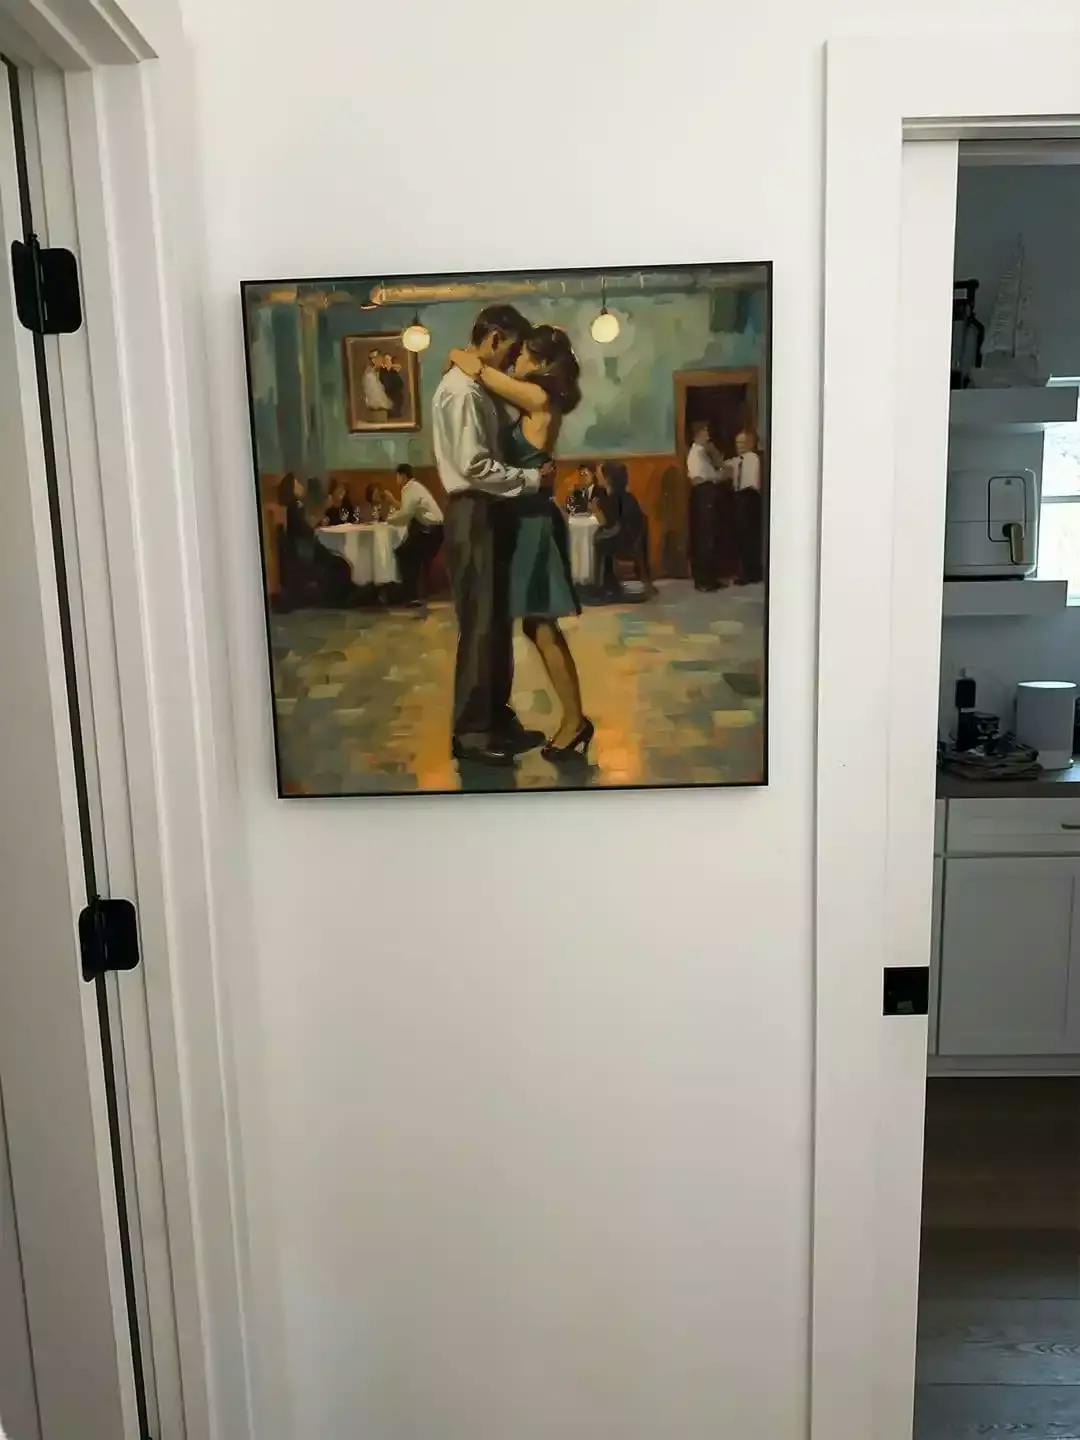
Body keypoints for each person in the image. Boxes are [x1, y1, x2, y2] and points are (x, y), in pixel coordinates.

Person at [450, 324, 592, 761]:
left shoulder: (538, 397)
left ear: (542, 363)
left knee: (541, 624)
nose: (516, 362)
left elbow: (480, 371)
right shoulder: (536, 398)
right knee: (536, 624)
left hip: (533, 522)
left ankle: (575, 721)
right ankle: (574, 719)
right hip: (525, 519)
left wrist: (459, 356)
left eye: (524, 355)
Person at [432, 304, 555, 767]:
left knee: (496, 624)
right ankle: (471, 732)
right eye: (512, 349)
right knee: (481, 625)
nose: (513, 359)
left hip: (487, 511)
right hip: (473, 510)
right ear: (495, 338)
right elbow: (474, 467)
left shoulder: (475, 385)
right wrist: (532, 481)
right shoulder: (462, 391)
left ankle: (496, 720)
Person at [275, 472, 357, 610]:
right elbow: (305, 529)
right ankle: (341, 598)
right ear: (291, 489)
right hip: (303, 551)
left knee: (339, 562)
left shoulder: (297, 506)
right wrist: (324, 509)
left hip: (305, 547)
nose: (301, 486)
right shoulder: (293, 507)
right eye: (297, 483)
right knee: (338, 564)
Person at [686, 419, 736, 590]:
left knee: (707, 535)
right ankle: (704, 580)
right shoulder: (698, 452)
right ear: (699, 433)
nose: (708, 435)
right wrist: (723, 474)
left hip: (706, 493)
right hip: (704, 494)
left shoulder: (702, 451)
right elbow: (703, 477)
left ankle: (707, 578)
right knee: (705, 536)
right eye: (705, 431)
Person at [385, 462, 444, 603]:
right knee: (406, 552)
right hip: (434, 531)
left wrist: (389, 520)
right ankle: (411, 593)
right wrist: (393, 502)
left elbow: (406, 514)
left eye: (397, 476)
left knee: (404, 554)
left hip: (429, 532)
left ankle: (409, 595)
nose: (396, 479)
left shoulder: (410, 489)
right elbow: (408, 509)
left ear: (403, 476)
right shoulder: (415, 487)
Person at [592, 460, 646, 598]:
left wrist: (596, 510)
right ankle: (608, 583)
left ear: (608, 479)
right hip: (632, 538)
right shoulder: (628, 496)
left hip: (623, 540)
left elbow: (610, 525)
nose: (596, 476)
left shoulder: (610, 499)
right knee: (599, 539)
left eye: (599, 474)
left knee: (599, 542)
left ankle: (606, 585)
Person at [729, 429, 763, 584]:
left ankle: (751, 573)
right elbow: (723, 466)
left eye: (743, 443)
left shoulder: (752, 458)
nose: (739, 446)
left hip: (750, 497)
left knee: (750, 536)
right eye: (737, 443)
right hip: (739, 498)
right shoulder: (736, 460)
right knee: (741, 535)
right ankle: (746, 571)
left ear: (751, 444)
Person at [361, 349, 392, 419]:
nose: (381, 361)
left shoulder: (377, 372)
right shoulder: (369, 376)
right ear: (374, 360)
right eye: (379, 359)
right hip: (376, 410)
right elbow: (374, 397)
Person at [381, 354, 406, 419]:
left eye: (389, 360)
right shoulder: (382, 372)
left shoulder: (394, 371)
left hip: (396, 395)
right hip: (387, 395)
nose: (388, 361)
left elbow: (400, 384)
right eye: (386, 360)